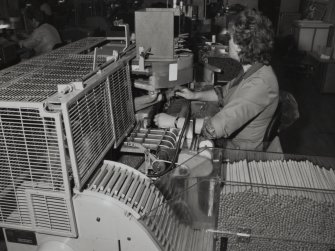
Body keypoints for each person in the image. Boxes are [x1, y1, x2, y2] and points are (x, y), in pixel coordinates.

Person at [154, 9, 279, 151]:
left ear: (241, 45)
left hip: (238, 151)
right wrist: (194, 95)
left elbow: (213, 129)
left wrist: (174, 121)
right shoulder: (253, 69)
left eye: (231, 38)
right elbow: (223, 93)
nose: (228, 42)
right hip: (231, 141)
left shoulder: (260, 84)